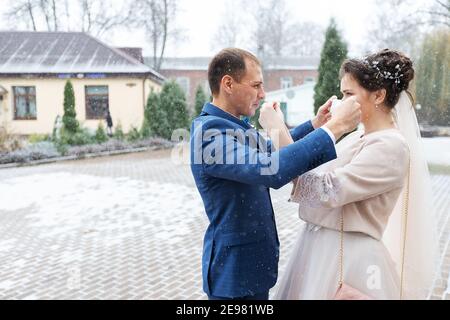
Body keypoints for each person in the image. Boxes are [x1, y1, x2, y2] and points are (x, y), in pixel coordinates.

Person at [259, 49, 438, 300]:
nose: (341, 103)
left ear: (378, 95)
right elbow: (307, 169)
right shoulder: (359, 137)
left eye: (348, 94)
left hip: (348, 261)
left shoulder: (391, 146)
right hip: (319, 250)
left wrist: (276, 129)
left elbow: (325, 190)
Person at [190, 48, 361, 300]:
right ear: (228, 83)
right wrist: (335, 128)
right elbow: (270, 168)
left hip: (249, 271)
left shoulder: (232, 126)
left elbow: (269, 151)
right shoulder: (209, 135)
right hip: (233, 278)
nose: (262, 94)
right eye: (256, 85)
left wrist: (316, 125)